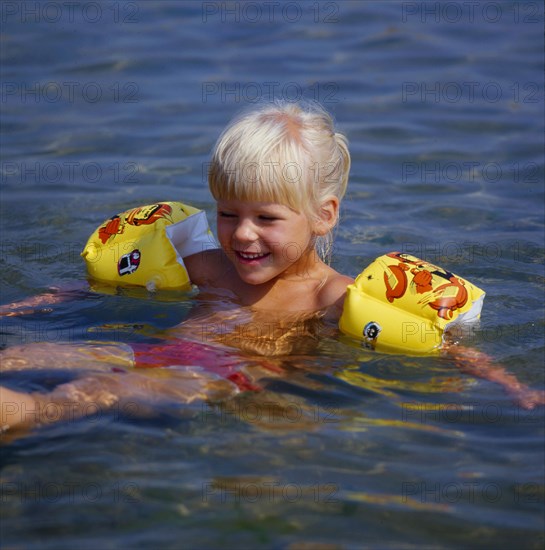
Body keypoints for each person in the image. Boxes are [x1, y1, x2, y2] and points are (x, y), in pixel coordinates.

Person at [0, 101, 543, 435]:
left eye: (267, 217)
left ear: (322, 217)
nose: (242, 234)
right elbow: (85, 287)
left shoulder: (333, 298)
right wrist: (37, 303)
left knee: (70, 400)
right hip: (151, 350)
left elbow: (447, 346)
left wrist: (508, 385)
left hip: (217, 378)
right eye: (228, 213)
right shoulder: (210, 266)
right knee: (26, 355)